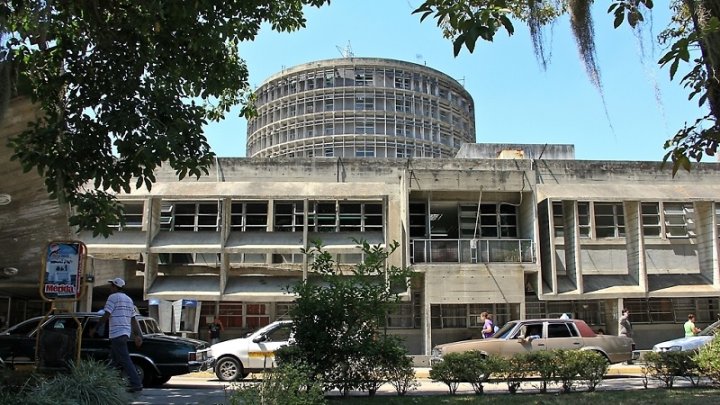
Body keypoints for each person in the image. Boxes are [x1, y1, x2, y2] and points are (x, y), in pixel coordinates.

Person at [93, 278, 143, 393]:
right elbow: (133, 319)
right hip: (125, 333)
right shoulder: (129, 300)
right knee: (113, 361)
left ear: (115, 287)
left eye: (111, 286)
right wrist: (137, 335)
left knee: (125, 360)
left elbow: (106, 314)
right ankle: (104, 383)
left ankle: (136, 384)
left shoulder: (113, 298)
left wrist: (95, 328)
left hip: (116, 334)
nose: (110, 288)